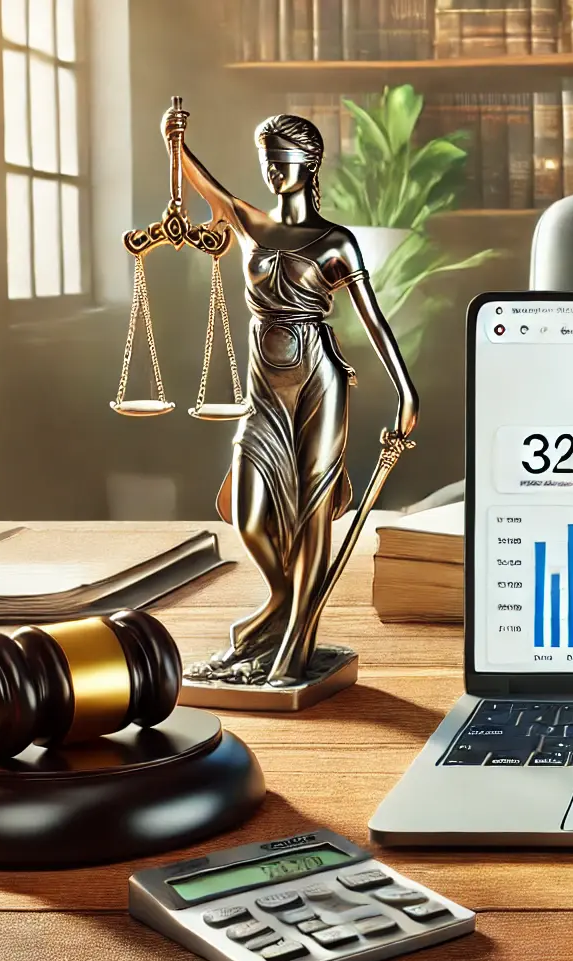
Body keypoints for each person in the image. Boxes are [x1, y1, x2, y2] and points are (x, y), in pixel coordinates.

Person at [168, 105, 418, 685]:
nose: (272, 172)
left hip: (318, 380)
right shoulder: (250, 226)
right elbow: (210, 188)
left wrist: (404, 391)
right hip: (263, 387)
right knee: (249, 513)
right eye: (265, 161)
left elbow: (374, 321)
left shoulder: (336, 243)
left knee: (311, 515)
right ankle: (281, 608)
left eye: (281, 161)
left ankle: (293, 650)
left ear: (308, 164)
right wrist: (175, 142)